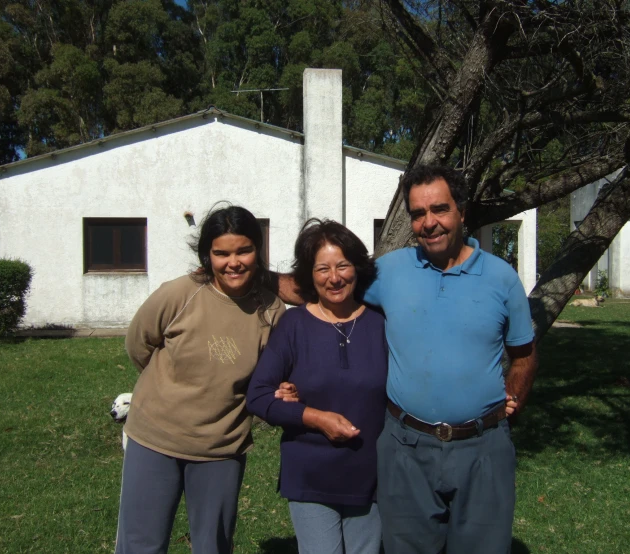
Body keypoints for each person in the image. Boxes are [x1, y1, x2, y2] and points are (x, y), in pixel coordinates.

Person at [366, 165, 538, 554]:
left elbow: (524, 353)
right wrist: (242, 274)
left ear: (461, 210)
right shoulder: (388, 271)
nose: (429, 223)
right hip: (404, 448)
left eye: (439, 209)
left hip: (483, 450)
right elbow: (324, 284)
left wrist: (514, 396)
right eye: (418, 214)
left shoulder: (501, 277)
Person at [115, 205, 286, 554]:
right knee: (140, 544)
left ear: (258, 250)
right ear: (207, 255)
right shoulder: (179, 293)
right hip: (154, 440)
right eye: (221, 253)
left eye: (243, 250)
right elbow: (139, 345)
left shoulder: (271, 310)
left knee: (213, 546)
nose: (233, 262)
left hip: (221, 448)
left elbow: (269, 377)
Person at [247, 219, 388, 554]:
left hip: (372, 475)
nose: (334, 277)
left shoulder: (381, 322)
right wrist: (310, 416)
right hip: (310, 474)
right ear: (309, 275)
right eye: (322, 268)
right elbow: (259, 395)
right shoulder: (294, 325)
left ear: (358, 267)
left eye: (342, 266)